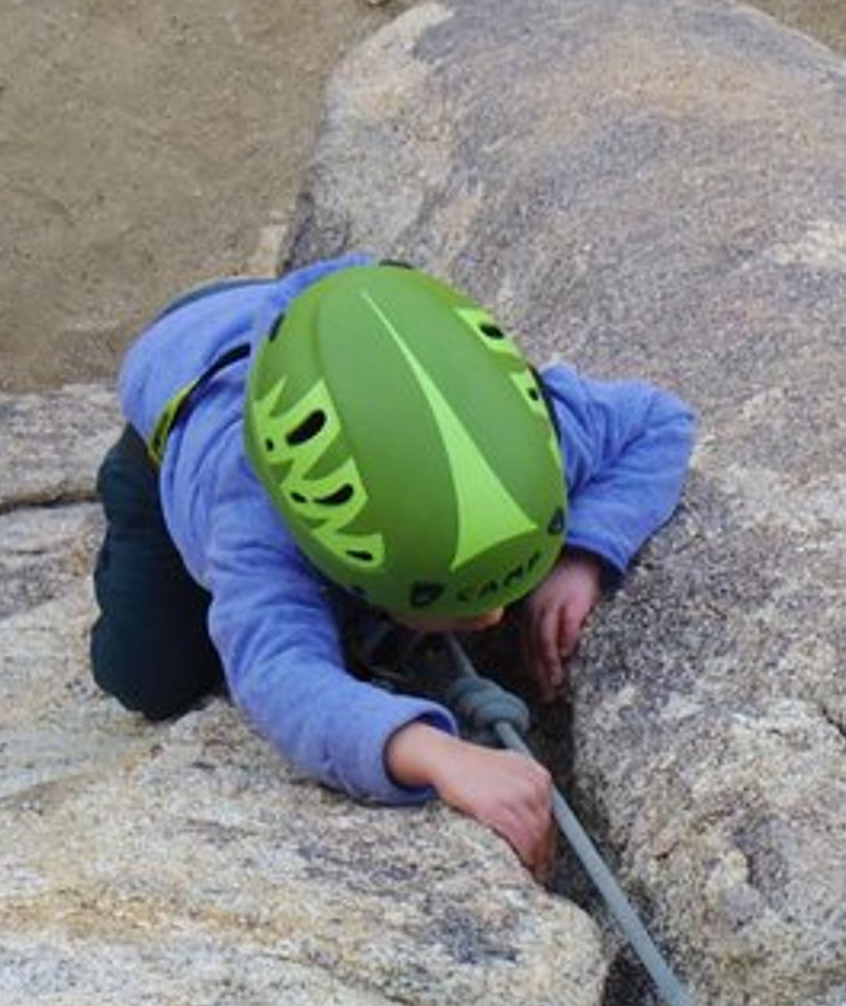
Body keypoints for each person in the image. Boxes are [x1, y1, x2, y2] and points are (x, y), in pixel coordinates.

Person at [89, 254, 695, 882]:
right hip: (187, 388)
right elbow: (276, 672)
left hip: (356, 347)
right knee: (148, 676)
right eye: (450, 604)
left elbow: (660, 423)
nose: (492, 619)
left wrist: (581, 555)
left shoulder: (536, 433)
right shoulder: (248, 518)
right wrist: (431, 753)